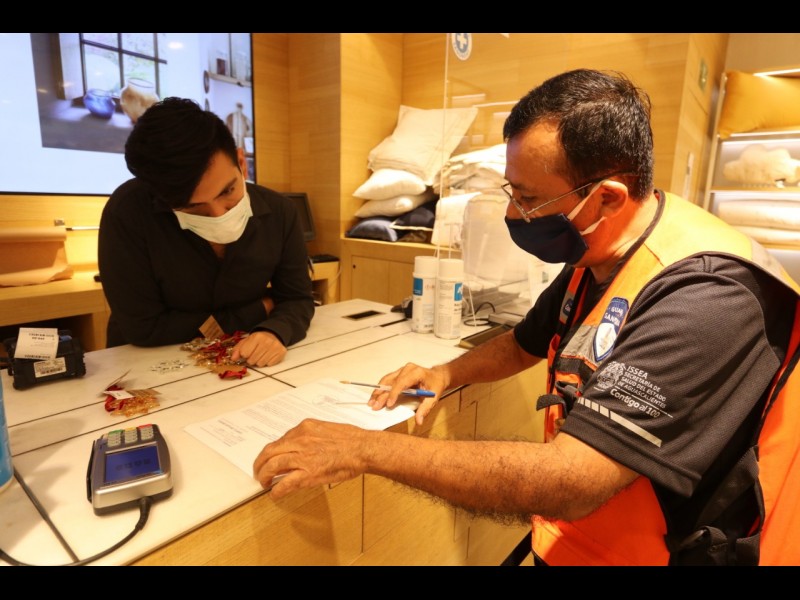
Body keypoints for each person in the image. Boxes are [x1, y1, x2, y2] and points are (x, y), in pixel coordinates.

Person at [252, 69, 800, 565]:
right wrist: (446, 373)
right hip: (587, 543)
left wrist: (363, 448)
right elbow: (525, 342)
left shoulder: (707, 295)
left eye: (530, 199)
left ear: (607, 198)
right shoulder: (602, 253)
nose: (515, 214)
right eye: (511, 192)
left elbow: (575, 480)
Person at [99, 97, 314, 367]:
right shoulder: (128, 212)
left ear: (241, 161)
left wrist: (274, 331)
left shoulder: (280, 212)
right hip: (146, 367)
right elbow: (144, 329)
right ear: (160, 198)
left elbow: (297, 299)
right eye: (194, 207)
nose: (219, 214)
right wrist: (259, 310)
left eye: (228, 191)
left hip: (242, 361)